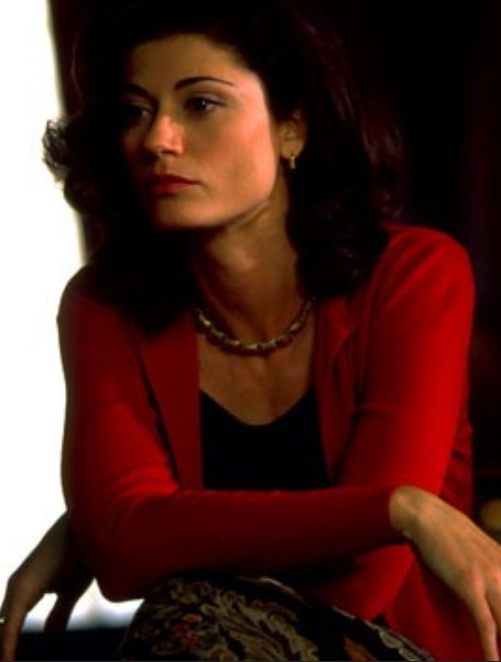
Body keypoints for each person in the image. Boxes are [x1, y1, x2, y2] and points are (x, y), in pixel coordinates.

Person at [1, 0, 501, 659]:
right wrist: (398, 510)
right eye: (134, 111)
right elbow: (123, 550)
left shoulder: (414, 274)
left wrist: (167, 528)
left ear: (292, 126)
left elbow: (366, 573)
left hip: (395, 649)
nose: (157, 139)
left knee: (186, 614)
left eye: (201, 104)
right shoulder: (104, 305)